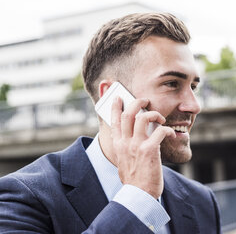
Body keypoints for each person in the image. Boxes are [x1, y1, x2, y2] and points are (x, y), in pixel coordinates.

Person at [0, 13, 221, 233]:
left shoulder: (201, 200)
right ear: (114, 98)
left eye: (193, 87)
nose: (194, 106)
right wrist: (138, 197)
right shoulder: (21, 198)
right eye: (172, 83)